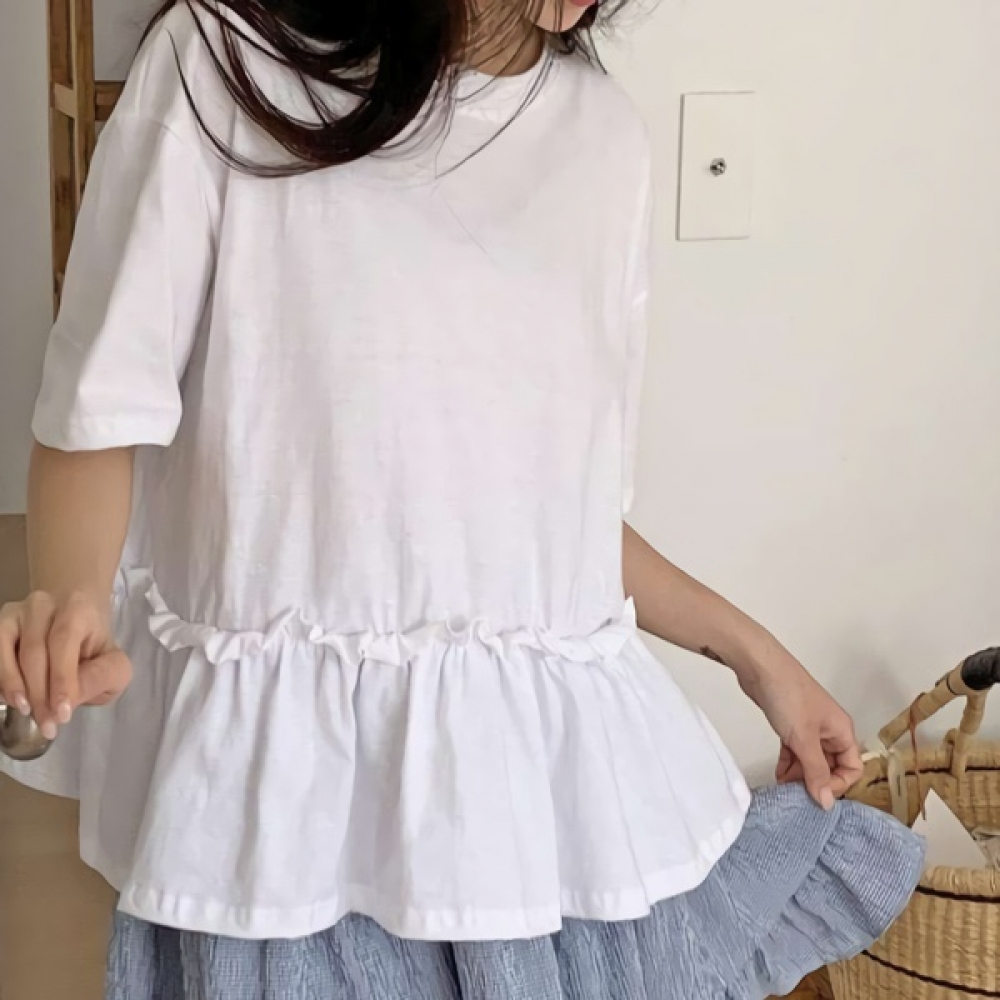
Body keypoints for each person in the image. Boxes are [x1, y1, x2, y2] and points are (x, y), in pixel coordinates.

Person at [0, 1, 923, 997]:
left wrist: (759, 659)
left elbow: (558, 521)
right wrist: (74, 596)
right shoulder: (221, 62)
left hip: (525, 828)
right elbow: (96, 413)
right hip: (288, 830)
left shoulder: (601, 140)